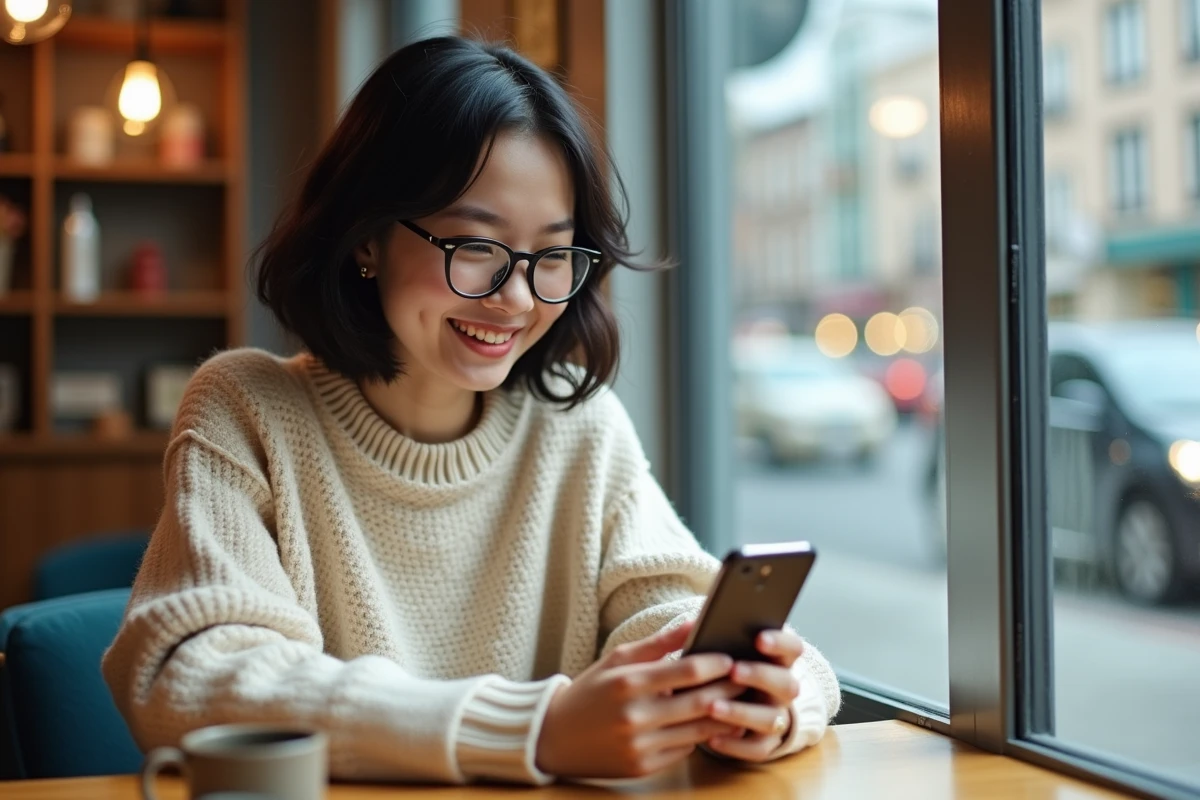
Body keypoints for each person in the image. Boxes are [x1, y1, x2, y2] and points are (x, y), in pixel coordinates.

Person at [101, 35, 841, 785]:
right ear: (367, 239)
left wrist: (762, 696)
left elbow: (675, 614)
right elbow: (192, 676)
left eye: (553, 253)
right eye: (476, 246)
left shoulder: (578, 428)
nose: (515, 298)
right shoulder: (245, 409)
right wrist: (533, 730)